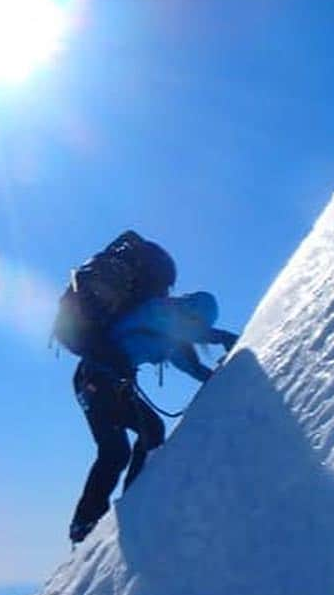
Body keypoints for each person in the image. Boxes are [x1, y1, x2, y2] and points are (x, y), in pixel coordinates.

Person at [57, 233, 237, 544]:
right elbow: (172, 324)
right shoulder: (158, 312)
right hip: (95, 380)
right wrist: (219, 336)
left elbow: (192, 366)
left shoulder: (169, 335)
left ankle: (131, 499)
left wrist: (216, 371)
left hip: (104, 383)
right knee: (117, 451)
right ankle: (89, 520)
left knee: (146, 434)